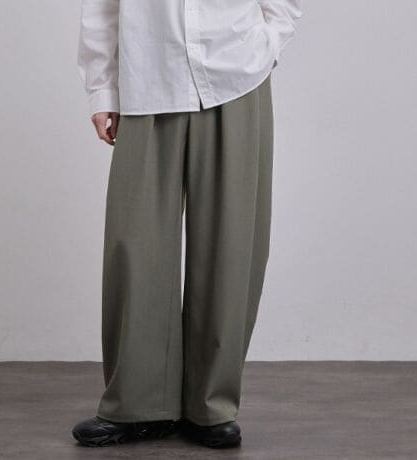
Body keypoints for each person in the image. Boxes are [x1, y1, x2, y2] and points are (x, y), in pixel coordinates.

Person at [72, 0, 302, 449]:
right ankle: (138, 404)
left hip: (236, 71)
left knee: (231, 241)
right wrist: (102, 88)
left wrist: (267, 43)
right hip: (148, 71)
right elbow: (101, 4)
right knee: (134, 244)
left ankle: (211, 405)